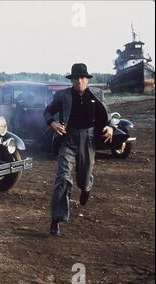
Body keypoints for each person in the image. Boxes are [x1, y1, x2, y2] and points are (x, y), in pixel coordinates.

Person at [43, 63, 114, 236]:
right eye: (76, 78)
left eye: (82, 78)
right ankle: (56, 219)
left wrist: (111, 126)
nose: (79, 81)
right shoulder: (63, 95)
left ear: (87, 80)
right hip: (68, 139)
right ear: (72, 80)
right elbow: (47, 112)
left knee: (83, 178)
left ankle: (86, 187)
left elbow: (107, 113)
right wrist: (52, 123)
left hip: (88, 140)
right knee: (63, 178)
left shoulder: (97, 94)